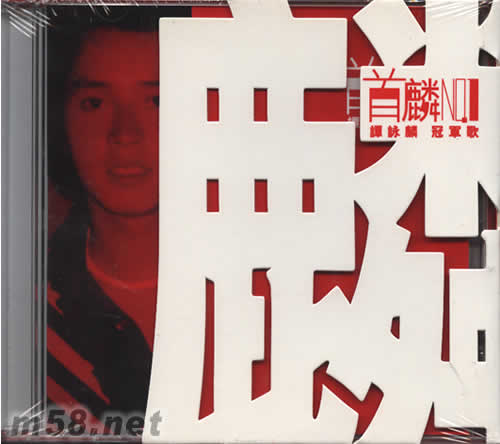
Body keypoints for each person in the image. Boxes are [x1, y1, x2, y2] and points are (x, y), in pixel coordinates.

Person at [46, 6, 190, 424]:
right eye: (94, 103)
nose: (125, 134)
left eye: (157, 101)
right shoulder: (24, 315)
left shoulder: (271, 290)